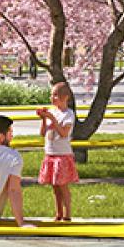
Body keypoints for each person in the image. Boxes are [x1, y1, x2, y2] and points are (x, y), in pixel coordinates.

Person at [36, 82, 78, 222]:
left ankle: (67, 213)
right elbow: (43, 133)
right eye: (52, 94)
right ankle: (58, 212)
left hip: (62, 155)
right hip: (50, 154)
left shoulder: (68, 114)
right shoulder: (52, 112)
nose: (52, 98)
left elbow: (64, 133)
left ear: (65, 97)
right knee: (55, 187)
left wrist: (52, 119)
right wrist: (44, 119)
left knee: (63, 185)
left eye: (56, 95)